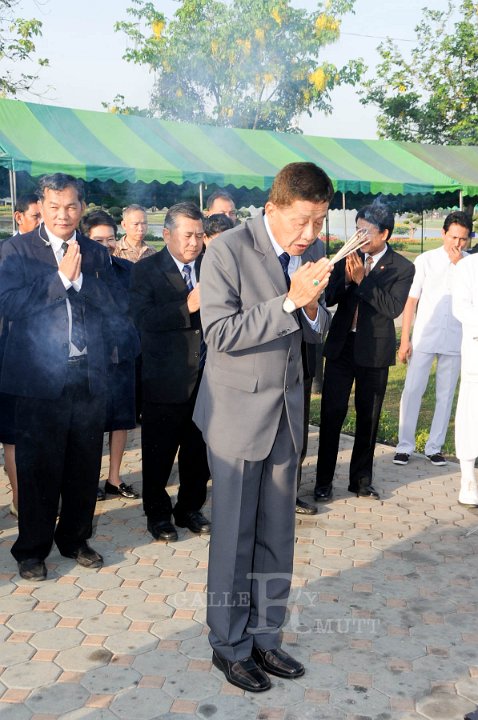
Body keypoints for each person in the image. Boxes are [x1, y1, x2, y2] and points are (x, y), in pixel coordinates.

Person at [193, 162, 333, 692]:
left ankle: (265, 637)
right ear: (273, 208)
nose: (311, 235)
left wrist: (313, 308)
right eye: (302, 222)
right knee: (234, 537)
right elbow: (221, 333)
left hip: (286, 417)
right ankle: (228, 647)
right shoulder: (227, 249)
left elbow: (317, 329)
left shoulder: (313, 253)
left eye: (318, 223)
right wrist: (290, 302)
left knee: (278, 534)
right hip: (236, 417)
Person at [0, 173, 128, 581]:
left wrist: (81, 280)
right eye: (54, 207)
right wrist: (58, 282)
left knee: (82, 465)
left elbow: (112, 304)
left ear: (82, 207)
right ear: (42, 205)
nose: (63, 214)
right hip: (38, 381)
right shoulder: (17, 250)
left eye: (71, 206)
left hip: (87, 377)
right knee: (39, 469)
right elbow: (9, 304)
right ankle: (31, 549)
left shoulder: (94, 251)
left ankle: (74, 538)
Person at [314, 203, 415, 503]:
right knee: (332, 414)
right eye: (357, 229)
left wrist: (362, 280)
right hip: (341, 347)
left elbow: (392, 308)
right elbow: (329, 297)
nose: (359, 237)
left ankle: (361, 480)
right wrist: (345, 278)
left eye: (366, 232)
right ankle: (323, 482)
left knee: (367, 418)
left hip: (374, 352)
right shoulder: (348, 255)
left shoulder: (402, 267)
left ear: (385, 234)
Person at [130, 202, 211, 543]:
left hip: (207, 379)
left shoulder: (212, 267)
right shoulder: (147, 270)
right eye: (187, 235)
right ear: (167, 234)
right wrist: (187, 306)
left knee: (198, 451)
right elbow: (142, 319)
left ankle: (189, 508)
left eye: (199, 235)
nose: (194, 242)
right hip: (165, 379)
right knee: (159, 453)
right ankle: (158, 514)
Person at [393, 211, 472, 467]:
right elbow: (411, 301)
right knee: (413, 389)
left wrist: (461, 266)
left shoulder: (471, 265)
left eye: (463, 239)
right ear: (443, 234)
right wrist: (405, 339)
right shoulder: (425, 260)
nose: (457, 244)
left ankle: (434, 446)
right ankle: (404, 445)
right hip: (425, 336)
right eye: (453, 237)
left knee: (445, 394)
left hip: (456, 339)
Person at [81, 209, 140, 501]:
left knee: (121, 420)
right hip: (89, 362)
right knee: (90, 424)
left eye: (111, 239)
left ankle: (114, 479)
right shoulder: (76, 272)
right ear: (84, 240)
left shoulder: (126, 270)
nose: (106, 245)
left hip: (123, 356)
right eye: (98, 239)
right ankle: (87, 480)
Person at [1, 193, 41, 517]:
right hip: (7, 354)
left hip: (36, 360)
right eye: (37, 217)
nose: (44, 225)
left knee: (27, 434)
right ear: (19, 217)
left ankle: (26, 496)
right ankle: (18, 499)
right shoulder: (9, 253)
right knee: (12, 436)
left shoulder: (53, 252)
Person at [452, 253, 478, 506]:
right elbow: (461, 307)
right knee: (472, 417)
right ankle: (468, 478)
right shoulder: (468, 267)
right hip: (476, 351)